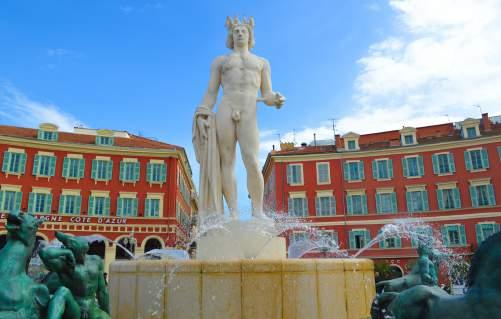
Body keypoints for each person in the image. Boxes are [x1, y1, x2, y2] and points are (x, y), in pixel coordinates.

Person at [193, 17, 285, 218]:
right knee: (226, 161)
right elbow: (211, 92)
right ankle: (233, 213)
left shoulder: (261, 63)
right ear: (231, 36)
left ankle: (258, 212)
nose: (240, 33)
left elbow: (267, 93)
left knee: (251, 160)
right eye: (236, 31)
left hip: (249, 109)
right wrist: (202, 111)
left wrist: (275, 99)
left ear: (250, 35)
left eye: (244, 31)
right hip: (226, 107)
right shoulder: (221, 61)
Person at [39, 231, 109, 319]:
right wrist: (65, 252)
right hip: (75, 309)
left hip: (92, 309)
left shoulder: (96, 261)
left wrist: (107, 313)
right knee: (63, 291)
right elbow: (43, 252)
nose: (67, 249)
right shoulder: (65, 264)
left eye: (69, 248)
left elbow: (102, 292)